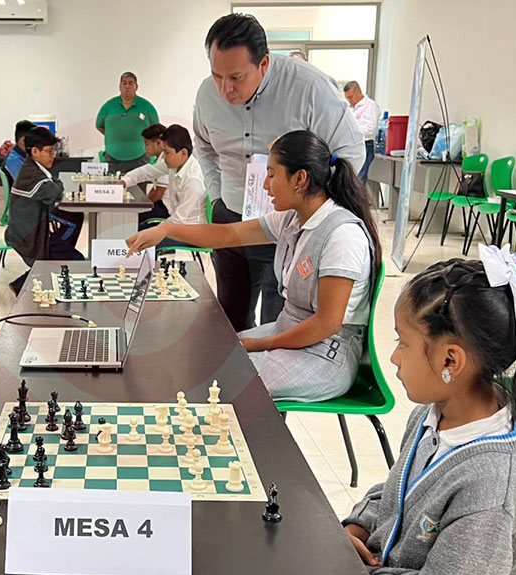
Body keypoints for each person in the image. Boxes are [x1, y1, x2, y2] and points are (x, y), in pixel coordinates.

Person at [342, 249, 516, 575]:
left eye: (403, 343)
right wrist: (356, 528)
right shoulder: (431, 416)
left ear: (450, 361)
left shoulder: (491, 488)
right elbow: (397, 491)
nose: (393, 358)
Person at [127, 130, 377, 401]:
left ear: (299, 179)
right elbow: (226, 234)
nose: (265, 186)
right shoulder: (292, 219)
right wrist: (166, 230)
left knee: (211, 378)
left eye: (271, 175)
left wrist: (259, 344)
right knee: (201, 355)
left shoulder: (342, 235)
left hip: (325, 355)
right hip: (289, 331)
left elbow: (325, 325)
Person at [194, 13, 364, 333]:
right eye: (217, 76)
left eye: (236, 77)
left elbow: (351, 152)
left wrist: (313, 206)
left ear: (264, 63)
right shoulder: (206, 95)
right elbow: (203, 148)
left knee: (280, 324)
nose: (225, 89)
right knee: (229, 321)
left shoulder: (310, 88)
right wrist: (216, 197)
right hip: (232, 218)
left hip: (289, 226)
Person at [4, 126, 82, 295]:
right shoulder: (30, 175)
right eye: (49, 151)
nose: (53, 155)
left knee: (74, 219)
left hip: (33, 230)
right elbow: (54, 191)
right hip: (26, 236)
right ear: (35, 151)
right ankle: (22, 284)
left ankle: (31, 279)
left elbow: (55, 185)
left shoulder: (33, 168)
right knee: (76, 260)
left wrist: (57, 184)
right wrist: (58, 184)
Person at [122, 125, 207, 249]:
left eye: (167, 152)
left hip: (191, 233)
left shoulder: (193, 180)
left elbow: (180, 220)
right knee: (133, 232)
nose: (164, 157)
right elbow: (147, 171)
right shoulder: (175, 165)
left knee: (144, 241)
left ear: (183, 153)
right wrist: (124, 181)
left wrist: (156, 231)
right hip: (177, 226)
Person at [96, 71, 160, 175]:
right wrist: (115, 136)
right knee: (114, 185)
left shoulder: (147, 106)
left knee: (140, 186)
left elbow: (156, 130)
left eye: (130, 83)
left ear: (136, 87)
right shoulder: (108, 106)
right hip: (113, 160)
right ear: (120, 86)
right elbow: (99, 126)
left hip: (141, 159)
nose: (127, 86)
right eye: (124, 83)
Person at [122, 123, 169, 224]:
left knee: (130, 218)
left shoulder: (166, 161)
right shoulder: (159, 160)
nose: (144, 148)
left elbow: (158, 193)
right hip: (160, 205)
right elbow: (154, 186)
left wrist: (143, 206)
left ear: (158, 143)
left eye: (147, 144)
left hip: (165, 208)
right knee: (130, 214)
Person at [343, 81, 381, 182]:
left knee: (358, 179)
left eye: (351, 97)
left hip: (365, 145)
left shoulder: (370, 105)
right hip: (351, 145)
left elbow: (370, 128)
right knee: (349, 179)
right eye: (347, 97)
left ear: (358, 92)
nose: (349, 100)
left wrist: (352, 131)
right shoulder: (349, 108)